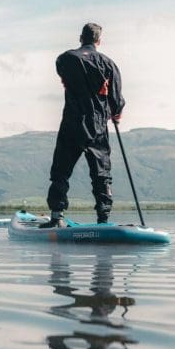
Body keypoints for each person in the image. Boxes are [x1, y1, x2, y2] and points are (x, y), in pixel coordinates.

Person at [42, 22, 125, 228]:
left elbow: (61, 73)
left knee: (61, 169)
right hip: (97, 124)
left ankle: (57, 214)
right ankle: (103, 218)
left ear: (81, 38)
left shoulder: (66, 58)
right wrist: (116, 114)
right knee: (101, 173)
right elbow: (116, 98)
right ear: (99, 40)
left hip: (72, 121)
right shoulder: (109, 64)